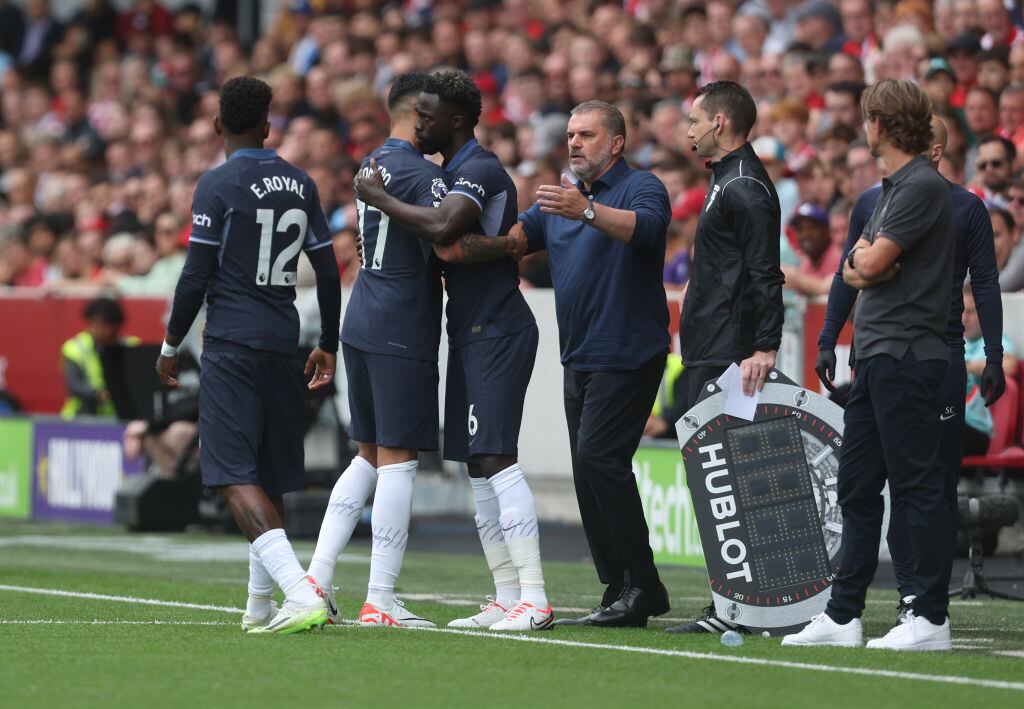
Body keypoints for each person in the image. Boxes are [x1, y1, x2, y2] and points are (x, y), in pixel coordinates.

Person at [354, 70, 552, 631]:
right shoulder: (454, 170)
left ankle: (534, 597)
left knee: (495, 459)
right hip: (469, 329)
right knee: (476, 467)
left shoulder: (479, 169)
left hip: (498, 327)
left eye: (429, 115)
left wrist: (382, 198)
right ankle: (506, 595)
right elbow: (451, 245)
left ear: (457, 121)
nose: (420, 123)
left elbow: (444, 232)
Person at [156, 76, 341, 635]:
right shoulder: (301, 182)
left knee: (234, 475)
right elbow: (329, 271)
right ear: (268, 125)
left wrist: (169, 345)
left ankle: (301, 591)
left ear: (217, 125)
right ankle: (260, 606)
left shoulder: (216, 184)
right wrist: (327, 342)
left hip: (233, 345)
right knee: (269, 475)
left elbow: (195, 276)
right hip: (285, 343)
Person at [785, 80, 956, 651]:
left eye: (867, 119)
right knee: (857, 488)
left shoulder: (922, 187)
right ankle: (843, 614)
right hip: (877, 357)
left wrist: (867, 261)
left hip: (909, 356)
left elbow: (870, 260)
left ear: (879, 124)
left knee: (915, 490)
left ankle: (929, 617)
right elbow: (856, 270)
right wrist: (866, 264)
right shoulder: (889, 189)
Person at [815, 113, 1005, 628]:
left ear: (939, 151)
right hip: (877, 353)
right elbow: (845, 275)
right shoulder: (871, 202)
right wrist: (830, 337)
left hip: (933, 353)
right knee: (862, 482)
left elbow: (983, 284)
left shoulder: (965, 206)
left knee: (925, 486)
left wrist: (990, 353)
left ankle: (922, 604)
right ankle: (869, 608)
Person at [511, 99, 672, 628]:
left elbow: (647, 232)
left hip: (629, 351)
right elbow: (516, 239)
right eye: (571, 135)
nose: (574, 142)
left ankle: (644, 586)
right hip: (578, 354)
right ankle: (620, 585)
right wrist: (454, 247)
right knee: (588, 469)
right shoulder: (561, 199)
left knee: (600, 460)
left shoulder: (640, 187)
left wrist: (583, 209)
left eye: (587, 135)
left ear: (616, 143)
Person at [306, 73, 443, 629]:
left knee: (366, 455)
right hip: (400, 323)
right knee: (399, 460)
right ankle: (380, 598)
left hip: (361, 313)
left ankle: (315, 577)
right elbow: (446, 232)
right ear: (421, 115)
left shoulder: (370, 165)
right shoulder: (420, 173)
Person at [667, 80, 784, 635]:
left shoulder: (744, 187)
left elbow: (766, 272)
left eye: (695, 119)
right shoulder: (725, 181)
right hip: (709, 349)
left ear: (720, 122)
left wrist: (763, 346)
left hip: (728, 355)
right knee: (716, 475)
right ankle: (738, 601)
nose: (687, 128)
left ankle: (738, 605)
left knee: (727, 479)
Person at [60, 296, 139, 418]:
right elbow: (74, 384)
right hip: (81, 416)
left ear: (116, 325)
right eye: (92, 323)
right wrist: (99, 394)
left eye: (102, 324)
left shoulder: (133, 346)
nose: (96, 329)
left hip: (121, 416)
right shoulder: (74, 348)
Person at [962, 287, 1018, 455]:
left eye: (971, 312)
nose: (964, 318)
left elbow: (1009, 366)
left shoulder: (995, 342)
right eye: (961, 311)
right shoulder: (954, 342)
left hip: (974, 427)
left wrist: (966, 367)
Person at [782, 202, 842, 296]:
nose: (806, 234)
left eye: (812, 228)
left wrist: (797, 279)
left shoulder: (838, 254)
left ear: (826, 230)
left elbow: (831, 289)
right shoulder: (807, 262)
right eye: (800, 229)